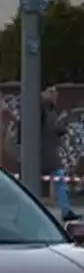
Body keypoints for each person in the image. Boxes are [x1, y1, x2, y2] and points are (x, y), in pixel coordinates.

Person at [43, 86, 78, 221]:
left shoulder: (51, 111)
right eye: (52, 93)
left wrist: (61, 122)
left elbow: (58, 132)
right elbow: (54, 129)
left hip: (49, 151)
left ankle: (65, 210)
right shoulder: (43, 110)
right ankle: (65, 210)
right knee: (58, 177)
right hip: (43, 153)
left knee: (59, 177)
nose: (55, 96)